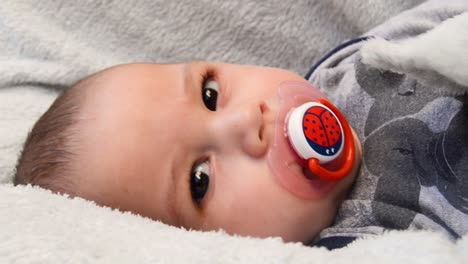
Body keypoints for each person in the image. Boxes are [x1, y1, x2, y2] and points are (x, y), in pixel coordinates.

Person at [13, 0, 468, 249]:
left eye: (210, 94)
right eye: (199, 180)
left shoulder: (346, 68)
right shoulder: (362, 246)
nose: (246, 120)